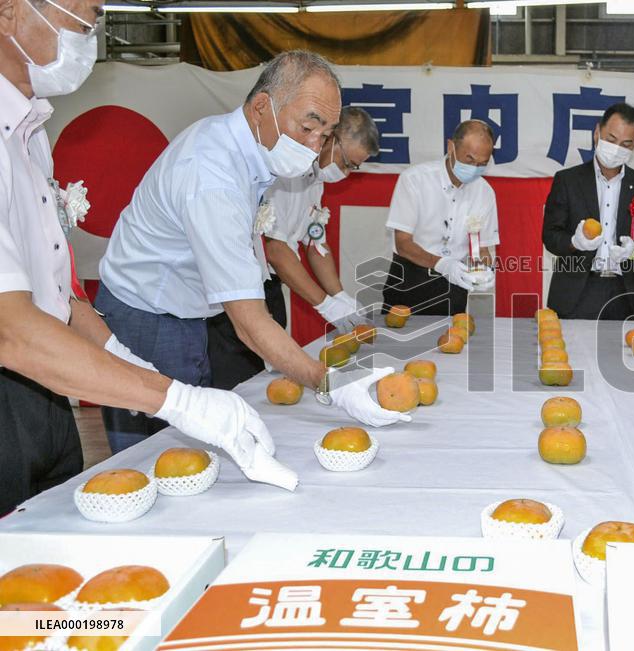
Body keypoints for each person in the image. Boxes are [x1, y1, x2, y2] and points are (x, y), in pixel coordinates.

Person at [0, 0, 292, 514]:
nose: (91, 33)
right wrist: (176, 399)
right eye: (83, 17)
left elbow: (63, 300)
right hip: (16, 378)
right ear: (9, 12)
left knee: (59, 538)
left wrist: (139, 369)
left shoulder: (31, 133)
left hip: (47, 392)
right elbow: (13, 330)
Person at [97, 51, 407, 454]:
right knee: (154, 456)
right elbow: (248, 321)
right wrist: (331, 384)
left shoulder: (249, 155)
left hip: (186, 313)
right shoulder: (213, 175)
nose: (315, 146)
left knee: (191, 447)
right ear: (263, 106)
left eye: (326, 134)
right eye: (308, 126)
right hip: (149, 317)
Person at [206, 106, 379, 390]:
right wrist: (324, 304)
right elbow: (276, 249)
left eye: (354, 168)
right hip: (239, 288)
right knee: (239, 383)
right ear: (330, 137)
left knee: (267, 378)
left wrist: (340, 296)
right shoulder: (285, 172)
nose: (346, 173)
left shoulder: (316, 179)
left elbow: (315, 241)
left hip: (271, 286)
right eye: (348, 162)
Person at [541, 102, 634, 320]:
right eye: (611, 139)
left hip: (625, 293)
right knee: (568, 352)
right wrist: (574, 242)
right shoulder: (567, 180)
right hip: (575, 291)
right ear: (597, 132)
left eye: (625, 144)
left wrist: (633, 250)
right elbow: (550, 236)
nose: (616, 149)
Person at [382, 119, 497, 316]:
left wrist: (483, 269)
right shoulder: (415, 179)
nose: (475, 168)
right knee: (397, 342)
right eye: (469, 160)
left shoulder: (484, 192)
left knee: (452, 342)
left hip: (454, 288)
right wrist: (442, 264)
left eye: (482, 164)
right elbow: (403, 243)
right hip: (409, 280)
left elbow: (482, 247)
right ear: (451, 146)